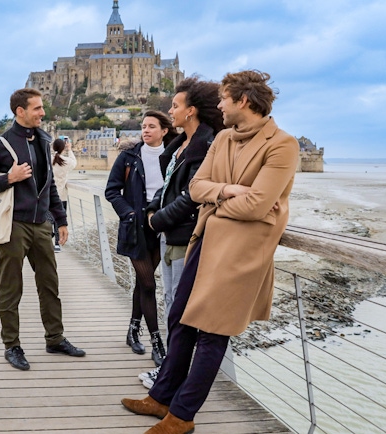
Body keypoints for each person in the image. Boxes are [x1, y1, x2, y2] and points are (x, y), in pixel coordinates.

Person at [121, 70, 299, 434]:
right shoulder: (222, 139)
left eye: (224, 98)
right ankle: (161, 397)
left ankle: (182, 416)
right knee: (181, 319)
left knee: (213, 333)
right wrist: (227, 192)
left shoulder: (282, 144)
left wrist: (217, 203)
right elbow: (198, 186)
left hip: (242, 252)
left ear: (244, 101)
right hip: (205, 242)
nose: (218, 105)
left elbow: (258, 204)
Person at [0, 88, 85, 371]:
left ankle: (55, 338)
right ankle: (12, 345)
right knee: (11, 288)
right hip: (13, 226)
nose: (42, 113)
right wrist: (8, 178)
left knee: (50, 283)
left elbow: (49, 188)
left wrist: (61, 220)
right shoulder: (2, 144)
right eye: (37, 108)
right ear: (19, 111)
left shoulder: (45, 140)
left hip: (41, 224)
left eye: (42, 108)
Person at [138, 77, 225, 389]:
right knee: (172, 302)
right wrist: (151, 209)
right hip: (170, 234)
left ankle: (172, 377)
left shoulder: (207, 144)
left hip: (187, 235)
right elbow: (169, 187)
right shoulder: (181, 145)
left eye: (175, 105)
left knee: (180, 308)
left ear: (191, 111)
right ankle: (171, 374)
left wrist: (156, 220)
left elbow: (192, 195)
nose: (170, 110)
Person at [105, 110, 178, 366]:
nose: (145, 131)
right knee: (148, 284)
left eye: (151, 126)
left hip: (162, 225)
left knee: (142, 282)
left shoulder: (174, 155)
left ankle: (133, 329)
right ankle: (157, 342)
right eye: (143, 127)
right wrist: (130, 213)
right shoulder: (129, 156)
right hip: (136, 226)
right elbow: (112, 190)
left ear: (164, 130)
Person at [50, 137, 77, 252]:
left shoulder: (49, 159)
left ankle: (46, 238)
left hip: (48, 195)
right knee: (59, 220)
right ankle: (57, 244)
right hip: (61, 195)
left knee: (48, 218)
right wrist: (69, 149)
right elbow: (74, 163)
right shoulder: (66, 161)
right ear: (63, 148)